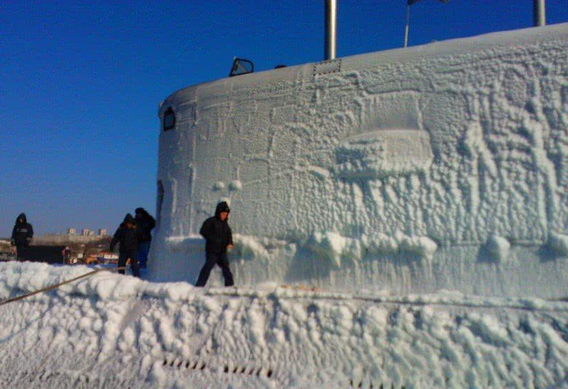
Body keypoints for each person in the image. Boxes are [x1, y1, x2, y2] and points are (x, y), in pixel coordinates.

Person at [195, 201, 235, 287]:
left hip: (222, 252)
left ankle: (230, 285)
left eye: (226, 214)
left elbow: (229, 235)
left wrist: (230, 243)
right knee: (207, 268)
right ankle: (199, 285)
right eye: (223, 214)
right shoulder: (211, 221)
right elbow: (203, 231)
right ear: (218, 212)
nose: (225, 216)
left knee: (226, 269)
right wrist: (212, 239)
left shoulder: (225, 225)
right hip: (212, 251)